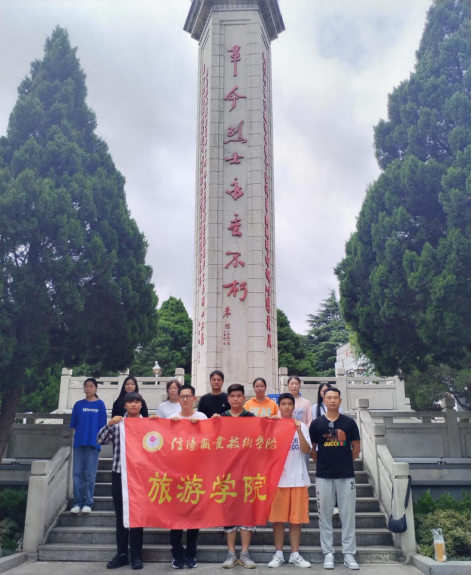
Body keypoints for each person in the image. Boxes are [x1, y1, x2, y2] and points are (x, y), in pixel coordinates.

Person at [309, 388, 361, 571]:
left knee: (348, 515)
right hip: (324, 475)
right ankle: (328, 553)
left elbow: (356, 448)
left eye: (335, 398)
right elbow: (312, 449)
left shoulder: (349, 423)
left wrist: (345, 462)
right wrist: (322, 463)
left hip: (346, 475)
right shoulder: (316, 423)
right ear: (324, 400)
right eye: (329, 397)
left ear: (340, 401)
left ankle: (349, 554)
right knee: (324, 515)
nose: (332, 400)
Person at [97, 392, 146, 571]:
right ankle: (122, 554)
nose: (133, 405)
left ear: (141, 405)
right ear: (125, 405)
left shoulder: (147, 425)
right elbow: (100, 440)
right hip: (119, 473)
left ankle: (136, 555)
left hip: (140, 476)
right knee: (121, 515)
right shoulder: (118, 424)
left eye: (137, 402)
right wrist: (109, 424)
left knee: (138, 515)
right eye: (130, 402)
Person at [213, 384, 257, 569]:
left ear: (244, 398)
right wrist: (213, 424)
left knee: (247, 513)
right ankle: (231, 553)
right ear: (228, 399)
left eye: (239, 395)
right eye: (233, 396)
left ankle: (245, 553)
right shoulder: (221, 418)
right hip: (227, 473)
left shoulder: (252, 418)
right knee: (230, 512)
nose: (236, 399)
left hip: (247, 472)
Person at [267, 393, 312, 570]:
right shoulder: (272, 426)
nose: (286, 407)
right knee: (278, 520)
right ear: (278, 406)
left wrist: (299, 430)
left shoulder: (302, 426)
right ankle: (279, 554)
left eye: (289, 404)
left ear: (294, 407)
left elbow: (306, 450)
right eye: (283, 404)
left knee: (296, 520)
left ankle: (295, 554)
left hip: (298, 478)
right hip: (278, 480)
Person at [168, 385, 207, 569]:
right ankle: (177, 554)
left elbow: (209, 441)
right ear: (178, 399)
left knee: (193, 517)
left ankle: (191, 554)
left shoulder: (202, 418)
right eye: (182, 396)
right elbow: (164, 444)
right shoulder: (171, 419)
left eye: (188, 396)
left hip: (195, 475)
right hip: (176, 475)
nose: (185, 399)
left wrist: (199, 428)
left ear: (194, 398)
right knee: (175, 517)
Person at [70, 378, 107, 515]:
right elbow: (74, 425)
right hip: (79, 443)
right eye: (86, 386)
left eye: (91, 386)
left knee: (90, 474)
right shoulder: (78, 405)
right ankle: (77, 503)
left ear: (96, 388)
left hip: (93, 444)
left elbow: (103, 426)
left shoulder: (100, 404)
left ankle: (88, 503)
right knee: (77, 474)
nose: (88, 388)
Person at [288, 376, 312, 475]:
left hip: (303, 436)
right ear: (288, 386)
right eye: (292, 384)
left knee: (304, 463)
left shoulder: (306, 402)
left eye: (296, 384)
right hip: (288, 437)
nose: (294, 386)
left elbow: (309, 420)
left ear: (300, 385)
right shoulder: (285, 402)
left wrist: (304, 432)